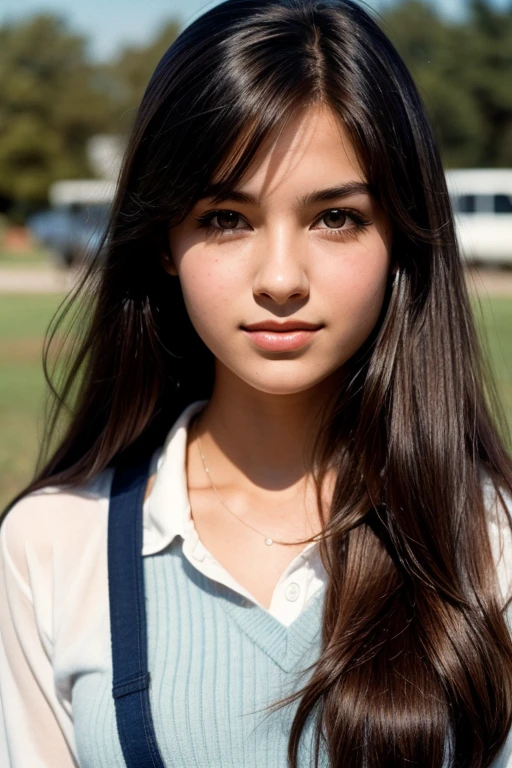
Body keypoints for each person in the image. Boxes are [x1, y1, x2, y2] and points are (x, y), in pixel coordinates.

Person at [1, 0, 512, 765]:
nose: (280, 278)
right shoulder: (52, 545)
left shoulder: (490, 541)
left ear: (400, 234)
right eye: (226, 218)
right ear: (166, 241)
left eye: (335, 218)